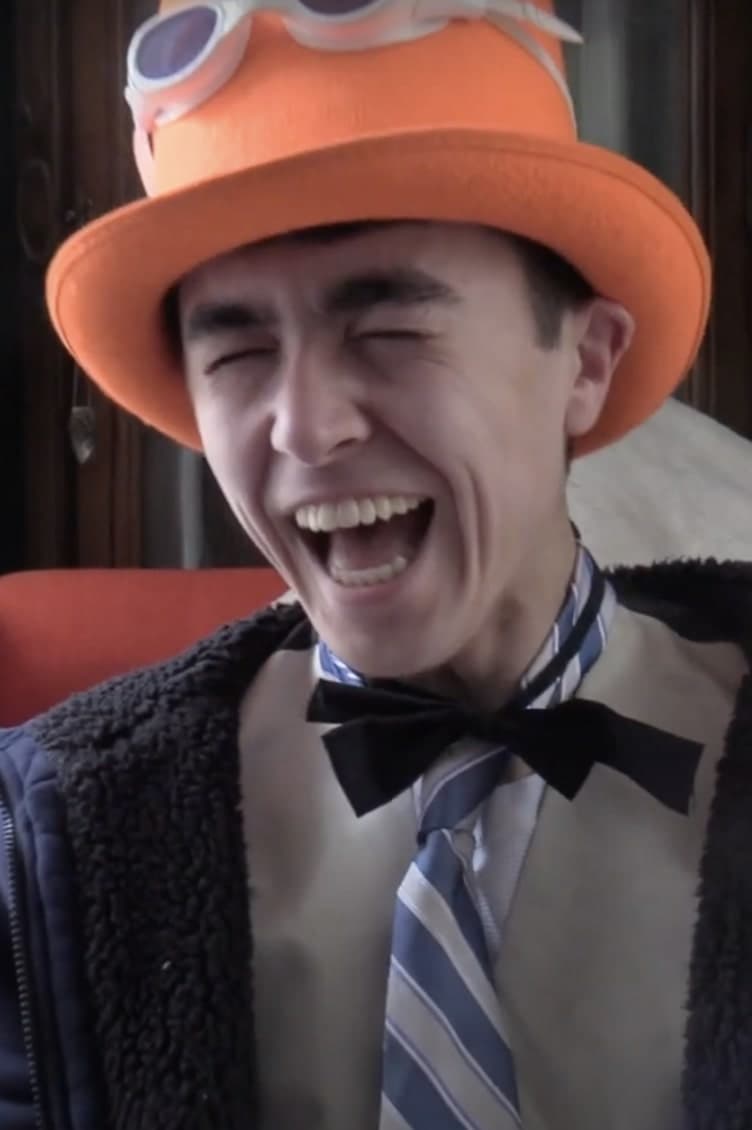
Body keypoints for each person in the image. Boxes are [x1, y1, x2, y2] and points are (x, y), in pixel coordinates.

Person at [1, 1, 751, 1128]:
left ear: (586, 362)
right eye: (239, 352)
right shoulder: (60, 838)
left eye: (389, 329)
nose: (306, 428)